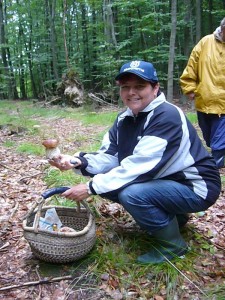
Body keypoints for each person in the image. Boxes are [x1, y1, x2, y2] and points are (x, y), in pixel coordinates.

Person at [49, 60, 221, 264]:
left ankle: (173, 247)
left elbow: (138, 167)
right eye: (125, 87)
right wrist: (77, 161)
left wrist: (90, 187)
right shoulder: (125, 118)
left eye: (140, 86)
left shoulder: (167, 116)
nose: (132, 92)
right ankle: (175, 219)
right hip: (165, 179)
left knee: (130, 192)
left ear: (155, 88)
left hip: (196, 187)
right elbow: (111, 156)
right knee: (109, 185)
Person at [180, 17, 225, 169]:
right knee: (209, 138)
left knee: (218, 142)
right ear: (222, 28)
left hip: (224, 105)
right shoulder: (206, 42)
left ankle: (213, 168)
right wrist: (190, 88)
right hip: (204, 100)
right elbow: (191, 66)